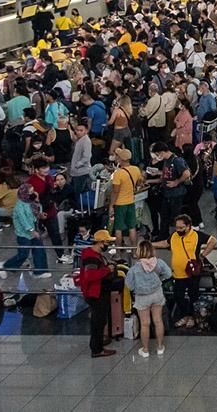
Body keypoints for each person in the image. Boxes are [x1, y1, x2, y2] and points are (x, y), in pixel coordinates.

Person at [153, 214, 216, 324]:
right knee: (178, 295)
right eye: (176, 227)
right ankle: (185, 315)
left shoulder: (197, 235)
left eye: (181, 228)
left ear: (188, 226)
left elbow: (213, 241)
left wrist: (203, 255)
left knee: (193, 295)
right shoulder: (174, 236)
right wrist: (150, 244)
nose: (178, 230)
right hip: (178, 274)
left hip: (192, 273)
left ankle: (191, 317)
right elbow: (165, 243)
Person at [124, 239, 171, 358]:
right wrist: (160, 279)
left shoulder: (135, 268)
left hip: (142, 297)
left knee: (145, 324)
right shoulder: (159, 262)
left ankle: (145, 350)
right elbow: (169, 274)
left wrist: (137, 288)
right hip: (157, 294)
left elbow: (128, 285)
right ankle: (160, 347)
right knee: (158, 320)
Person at [77, 229, 116, 358]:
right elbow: (90, 275)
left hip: (97, 292)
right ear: (100, 242)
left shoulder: (95, 255)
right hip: (95, 293)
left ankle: (98, 342)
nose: (108, 245)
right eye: (107, 242)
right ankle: (97, 349)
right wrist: (107, 270)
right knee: (98, 321)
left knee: (99, 320)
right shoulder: (91, 258)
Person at [0, 185, 49, 278]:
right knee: (23, 254)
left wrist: (40, 215)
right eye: (31, 192)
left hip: (34, 230)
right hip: (24, 234)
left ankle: (40, 271)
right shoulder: (19, 206)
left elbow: (33, 215)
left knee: (39, 250)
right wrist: (32, 231)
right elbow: (23, 220)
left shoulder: (31, 203)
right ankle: (6, 265)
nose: (33, 193)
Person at [107, 146, 142, 247]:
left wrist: (111, 205)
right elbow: (140, 182)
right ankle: (134, 251)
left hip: (119, 204)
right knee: (132, 227)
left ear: (120, 159)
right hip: (131, 202)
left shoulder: (118, 174)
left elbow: (115, 191)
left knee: (118, 229)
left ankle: (118, 254)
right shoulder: (136, 169)